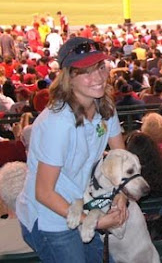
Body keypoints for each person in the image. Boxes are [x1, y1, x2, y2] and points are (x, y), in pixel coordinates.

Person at [15, 37, 127, 263]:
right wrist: (92, 221)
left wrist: (121, 193)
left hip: (80, 205)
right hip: (50, 218)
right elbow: (44, 193)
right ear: (69, 77)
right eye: (86, 71)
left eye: (101, 67)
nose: (98, 78)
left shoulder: (105, 106)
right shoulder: (57, 122)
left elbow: (120, 157)